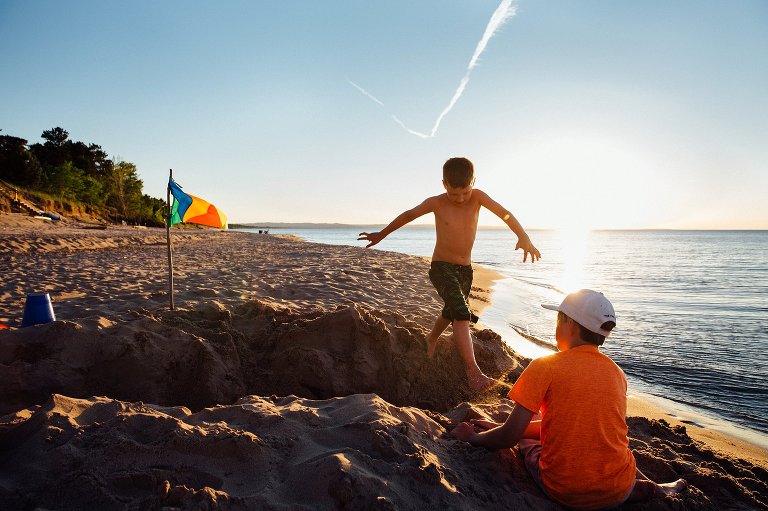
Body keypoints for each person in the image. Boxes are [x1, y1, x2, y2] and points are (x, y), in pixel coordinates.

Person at [451, 289, 687, 509]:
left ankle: (640, 489)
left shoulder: (545, 366)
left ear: (568, 324)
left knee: (527, 441)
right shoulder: (617, 373)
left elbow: (509, 436)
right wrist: (501, 426)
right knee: (615, 444)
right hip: (618, 489)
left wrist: (473, 436)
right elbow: (576, 423)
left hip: (565, 490)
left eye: (557, 320)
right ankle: (650, 487)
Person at [358, 157, 540, 392]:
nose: (460, 198)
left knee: (450, 311)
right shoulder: (436, 202)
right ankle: (473, 373)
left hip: (465, 269)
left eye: (465, 192)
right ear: (444, 184)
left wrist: (523, 236)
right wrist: (381, 234)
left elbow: (504, 213)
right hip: (441, 267)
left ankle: (431, 338)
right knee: (462, 314)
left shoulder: (479, 197)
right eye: (455, 194)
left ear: (473, 182)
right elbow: (408, 215)